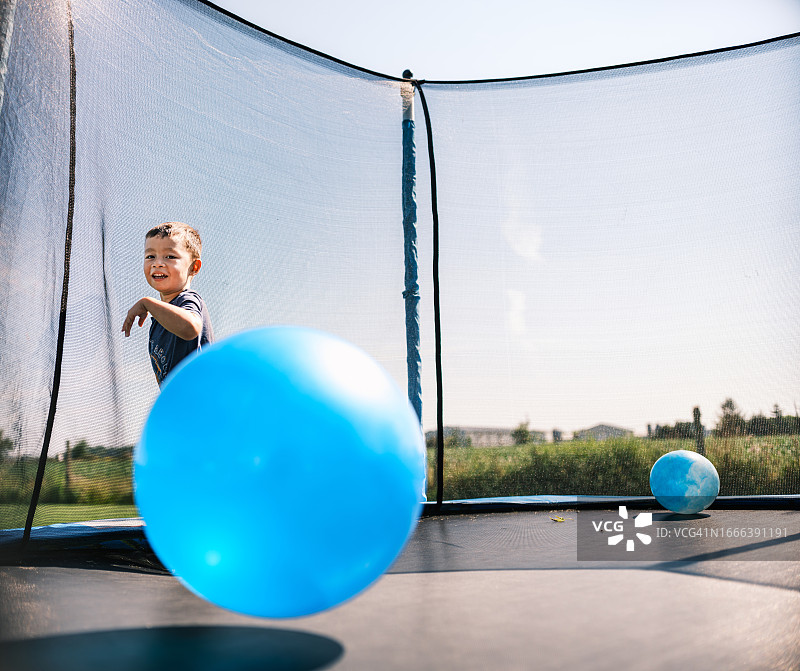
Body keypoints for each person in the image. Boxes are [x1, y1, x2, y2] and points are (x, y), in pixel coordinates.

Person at [122, 222, 214, 386]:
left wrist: (147, 303)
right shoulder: (159, 321)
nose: (157, 263)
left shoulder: (187, 299)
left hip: (201, 406)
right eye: (150, 256)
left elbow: (191, 328)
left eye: (170, 257)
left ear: (194, 267)